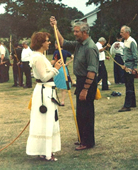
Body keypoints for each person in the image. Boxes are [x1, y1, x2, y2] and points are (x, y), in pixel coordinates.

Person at [50, 16, 99, 150]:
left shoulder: (90, 47)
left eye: (77, 31)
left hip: (87, 83)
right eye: (74, 31)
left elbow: (92, 71)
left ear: (85, 32)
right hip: (81, 81)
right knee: (80, 113)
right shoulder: (79, 44)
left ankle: (88, 142)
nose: (74, 33)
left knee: (86, 113)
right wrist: (55, 26)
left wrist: (85, 89)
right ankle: (82, 138)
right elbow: (62, 42)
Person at [26, 32, 62, 161]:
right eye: (47, 40)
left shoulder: (40, 55)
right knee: (46, 121)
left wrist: (53, 67)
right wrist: (55, 68)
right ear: (41, 43)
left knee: (47, 120)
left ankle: (45, 151)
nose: (49, 42)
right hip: (44, 93)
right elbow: (44, 77)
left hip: (47, 91)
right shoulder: (39, 57)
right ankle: (46, 153)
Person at [118, 25, 138, 112]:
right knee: (129, 84)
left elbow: (135, 56)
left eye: (122, 32)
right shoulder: (125, 41)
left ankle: (127, 105)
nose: (120, 34)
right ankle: (132, 103)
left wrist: (135, 68)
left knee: (129, 85)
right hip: (127, 65)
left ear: (127, 32)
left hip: (130, 67)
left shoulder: (131, 41)